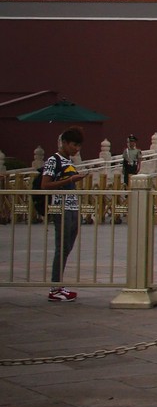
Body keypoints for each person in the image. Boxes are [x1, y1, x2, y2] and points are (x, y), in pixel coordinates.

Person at [40, 127, 85, 302]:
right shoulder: (54, 160)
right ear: (65, 143)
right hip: (61, 207)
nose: (77, 149)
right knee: (61, 247)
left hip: (72, 207)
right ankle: (55, 288)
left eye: (79, 145)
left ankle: (59, 285)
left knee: (67, 248)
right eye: (74, 144)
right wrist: (71, 179)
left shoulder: (68, 161)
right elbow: (45, 184)